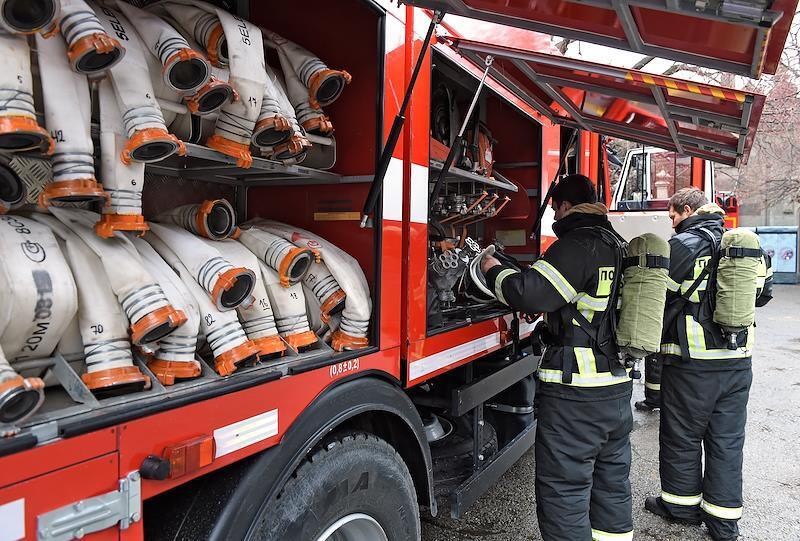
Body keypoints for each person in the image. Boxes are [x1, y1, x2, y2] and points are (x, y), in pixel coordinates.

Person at [482, 174, 633, 541]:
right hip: (615, 389)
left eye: (554, 208)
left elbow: (526, 292)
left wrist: (490, 268)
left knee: (564, 492)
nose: (553, 214)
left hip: (576, 395)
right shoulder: (618, 244)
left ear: (565, 205)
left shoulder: (576, 245)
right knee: (611, 486)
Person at [644, 188, 761, 541]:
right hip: (739, 362)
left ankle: (680, 507)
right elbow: (764, 292)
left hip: (692, 362)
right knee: (727, 440)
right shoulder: (742, 243)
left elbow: (654, 294)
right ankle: (724, 522)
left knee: (682, 436)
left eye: (672, 216)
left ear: (686, 209)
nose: (673, 223)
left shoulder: (682, 245)